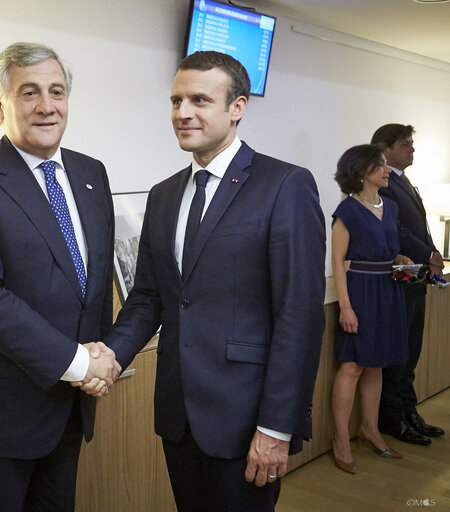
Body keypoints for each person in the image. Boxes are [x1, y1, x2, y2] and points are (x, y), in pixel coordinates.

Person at [79, 51, 326, 511]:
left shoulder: (284, 185)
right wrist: (110, 353)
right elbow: (149, 297)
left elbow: (300, 317)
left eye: (199, 100)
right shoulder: (164, 194)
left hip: (247, 419)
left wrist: (277, 427)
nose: (183, 113)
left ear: (238, 107)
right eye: (176, 101)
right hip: (178, 414)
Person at [0, 42, 120, 512]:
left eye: (56, 92)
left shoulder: (90, 173)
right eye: (29, 92)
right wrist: (81, 364)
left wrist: (102, 353)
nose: (46, 106)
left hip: (68, 409)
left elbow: (94, 283)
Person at [330, 144, 412, 474]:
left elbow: (387, 248)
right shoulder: (346, 211)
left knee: (376, 366)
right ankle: (340, 440)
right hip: (361, 291)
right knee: (352, 367)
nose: (387, 169)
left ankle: (370, 430)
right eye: (380, 165)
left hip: (388, 290)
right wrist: (346, 308)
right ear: (362, 172)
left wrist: (399, 259)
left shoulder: (390, 207)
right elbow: (337, 261)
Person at [371, 124, 445, 445]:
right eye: (406, 144)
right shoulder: (383, 183)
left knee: (411, 352)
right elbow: (397, 229)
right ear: (386, 150)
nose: (412, 150)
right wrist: (429, 252)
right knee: (398, 354)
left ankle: (409, 411)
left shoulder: (403, 181)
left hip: (416, 277)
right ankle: (393, 418)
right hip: (398, 279)